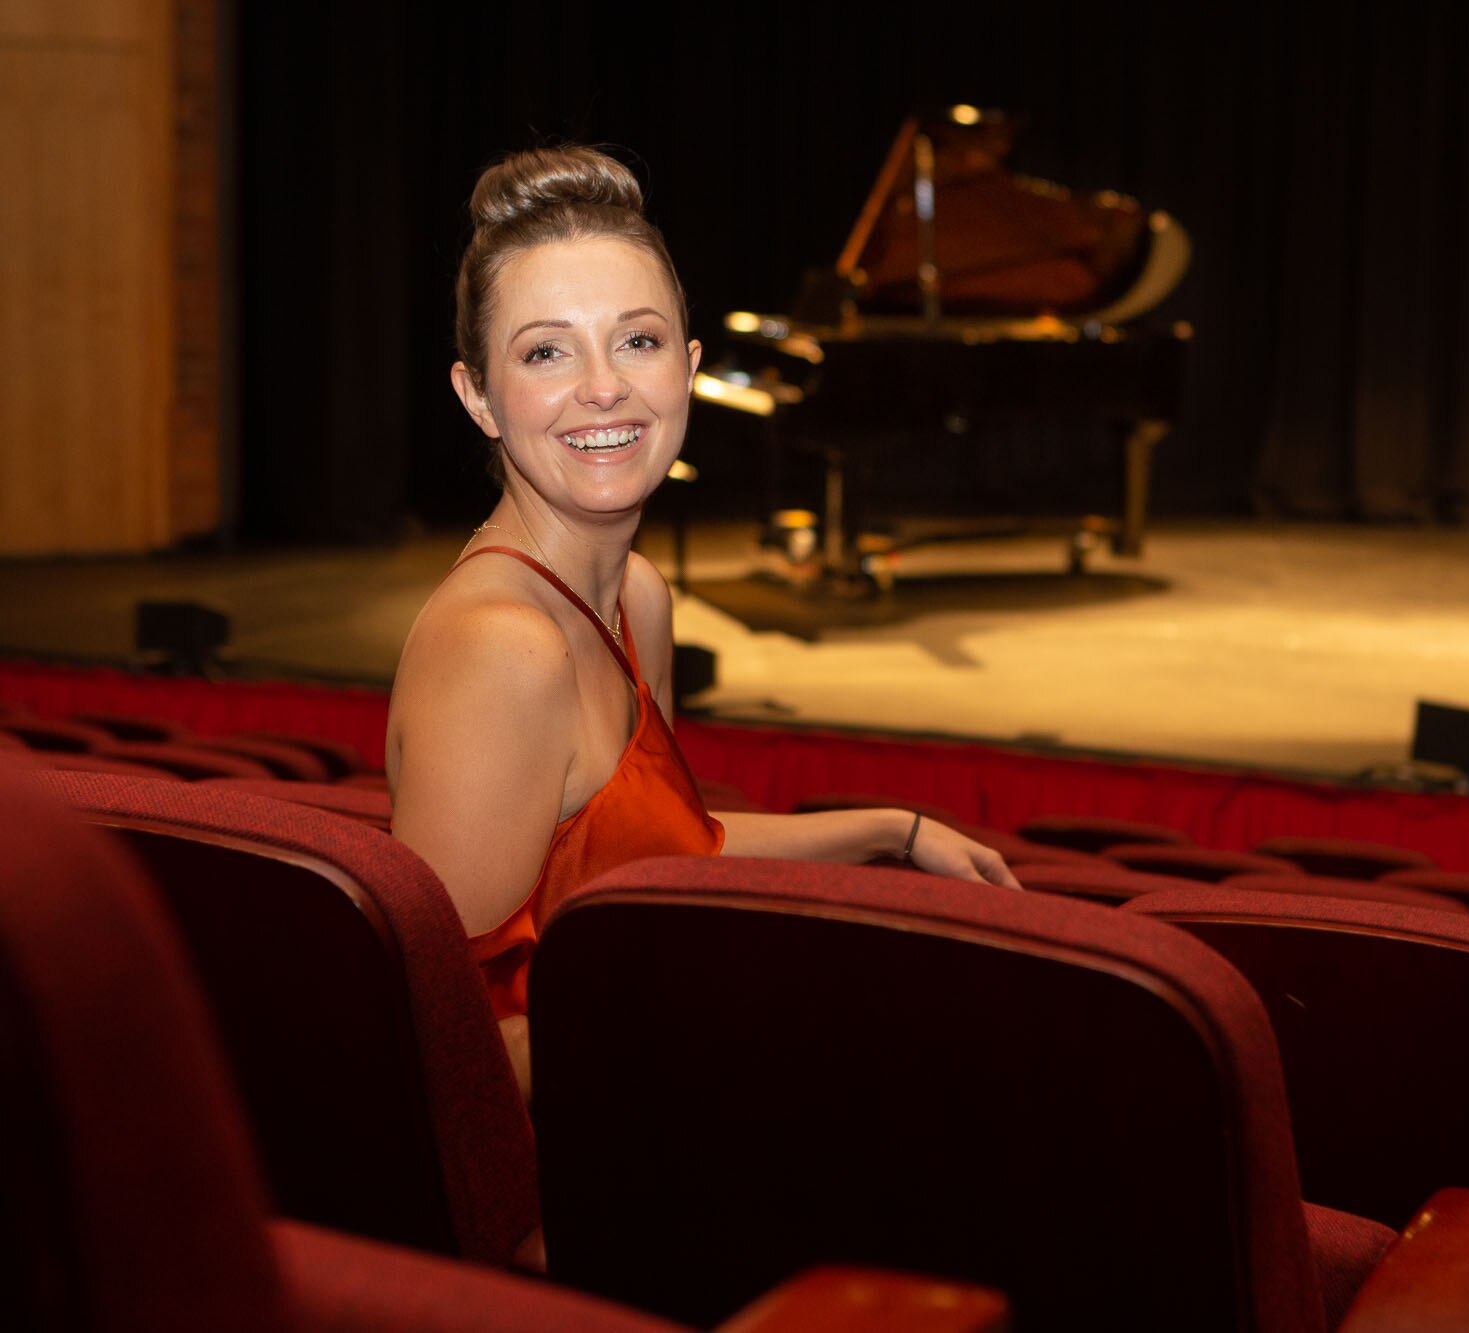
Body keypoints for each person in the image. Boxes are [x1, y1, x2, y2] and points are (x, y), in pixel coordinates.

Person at [386, 145, 1018, 1099]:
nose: (603, 386)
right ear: (477, 395)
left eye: (635, 341)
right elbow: (437, 1038)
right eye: (546, 350)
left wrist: (896, 828)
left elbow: (673, 849)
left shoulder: (638, 594)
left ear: (686, 369)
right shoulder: (502, 648)